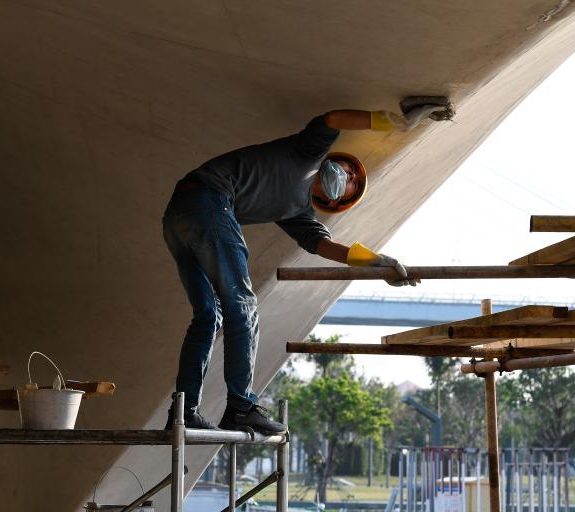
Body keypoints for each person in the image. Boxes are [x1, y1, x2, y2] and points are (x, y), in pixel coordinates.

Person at [162, 106, 445, 433]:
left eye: (351, 181)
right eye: (349, 169)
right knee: (243, 306)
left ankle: (183, 412)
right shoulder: (307, 155)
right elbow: (332, 120)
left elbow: (324, 246)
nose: (348, 174)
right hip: (208, 200)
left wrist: (380, 263)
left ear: (337, 202)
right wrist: (394, 122)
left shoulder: (298, 213)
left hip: (181, 212)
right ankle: (241, 407)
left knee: (209, 316)